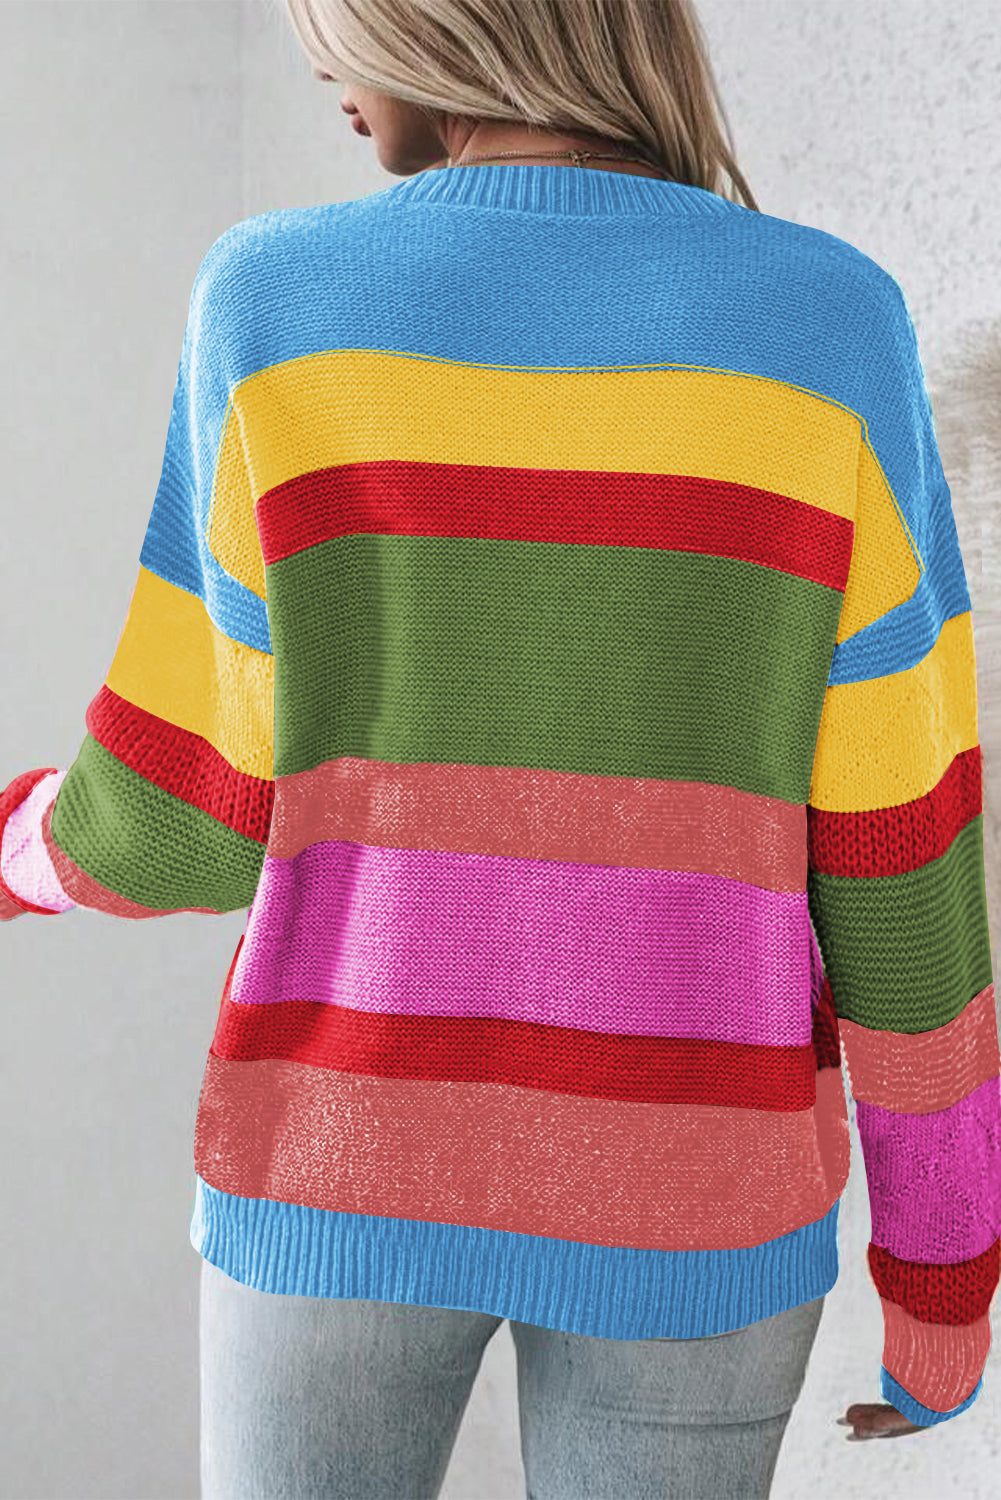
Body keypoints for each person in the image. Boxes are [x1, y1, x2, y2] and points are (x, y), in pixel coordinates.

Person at [2, 2, 995, 1497]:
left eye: (334, 24)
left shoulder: (273, 300)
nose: (321, 68)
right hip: (699, 1195)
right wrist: (942, 1277)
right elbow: (900, 857)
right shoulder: (827, 323)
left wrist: (18, 850)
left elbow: (179, 813)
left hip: (342, 1158)